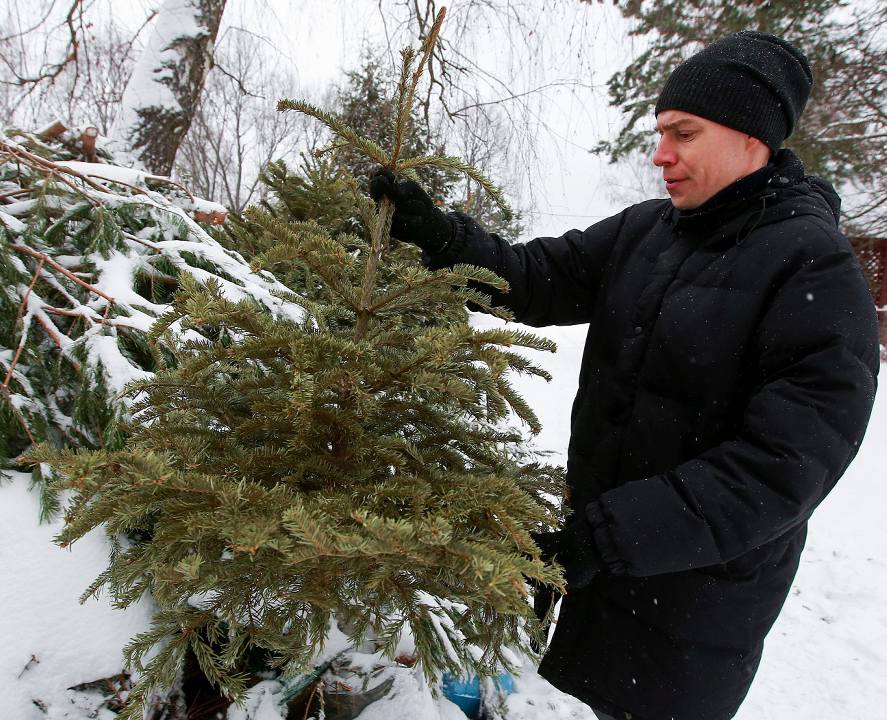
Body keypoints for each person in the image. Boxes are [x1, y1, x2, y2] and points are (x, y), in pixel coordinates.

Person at [369, 31, 880, 720]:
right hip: (596, 569)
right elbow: (537, 276)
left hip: (692, 607)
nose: (661, 154)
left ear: (752, 137)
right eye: (661, 132)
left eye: (684, 134)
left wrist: (609, 536)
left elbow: (783, 468)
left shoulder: (812, 268)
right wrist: (440, 236)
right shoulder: (649, 230)